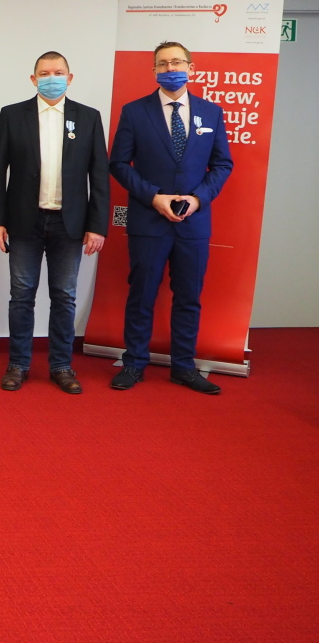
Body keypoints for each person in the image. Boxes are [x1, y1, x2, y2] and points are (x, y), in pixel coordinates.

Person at [109, 40, 233, 394]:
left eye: (177, 62)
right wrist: (154, 197)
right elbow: (118, 163)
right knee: (142, 294)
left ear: (191, 68)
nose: (170, 69)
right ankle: (134, 364)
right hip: (149, 220)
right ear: (153, 70)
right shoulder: (135, 112)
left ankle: (183, 367)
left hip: (193, 222)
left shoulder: (212, 113)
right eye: (163, 64)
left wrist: (198, 199)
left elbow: (222, 164)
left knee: (189, 297)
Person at [0, 52, 109, 393]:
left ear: (70, 78)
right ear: (33, 78)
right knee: (21, 295)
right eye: (44, 73)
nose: (51, 78)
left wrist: (97, 226)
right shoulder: (12, 115)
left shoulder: (88, 117)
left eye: (58, 72)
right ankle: (18, 365)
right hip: (24, 221)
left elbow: (99, 176)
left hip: (70, 224)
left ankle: (61, 366)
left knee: (64, 296)